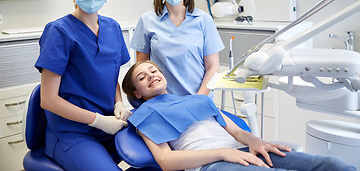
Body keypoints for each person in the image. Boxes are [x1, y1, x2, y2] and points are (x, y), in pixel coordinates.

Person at [122, 60, 357, 171]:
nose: (151, 75)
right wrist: (224, 153)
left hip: (242, 150)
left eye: (153, 70)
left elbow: (234, 130)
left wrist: (255, 140)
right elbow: (166, 161)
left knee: (329, 164)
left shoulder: (197, 99)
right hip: (211, 164)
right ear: (137, 93)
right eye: (142, 77)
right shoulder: (146, 115)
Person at [35, 0, 131, 171]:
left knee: (162, 158)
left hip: (111, 126)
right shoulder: (58, 32)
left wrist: (119, 104)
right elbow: (48, 100)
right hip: (73, 133)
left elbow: (111, 75)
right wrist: (98, 121)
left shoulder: (113, 27)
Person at [130, 0, 224, 100]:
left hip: (199, 98)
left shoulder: (203, 20)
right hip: (162, 102)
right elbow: (141, 69)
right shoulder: (146, 20)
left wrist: (198, 100)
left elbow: (212, 68)